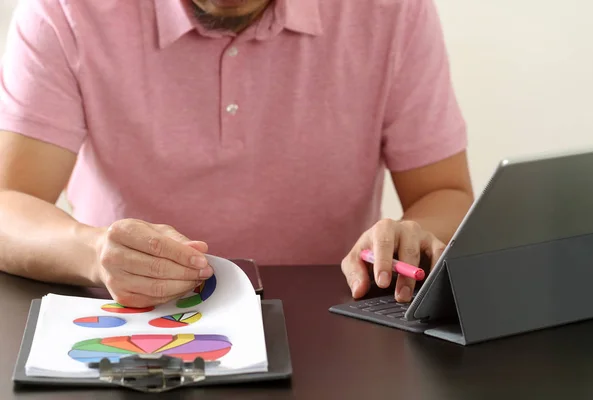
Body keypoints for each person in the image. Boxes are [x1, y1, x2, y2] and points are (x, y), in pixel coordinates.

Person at [0, 0, 473, 307]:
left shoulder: (392, 11)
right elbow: (9, 204)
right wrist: (93, 251)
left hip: (338, 315)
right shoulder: (63, 11)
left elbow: (446, 193)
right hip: (131, 317)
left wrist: (413, 237)